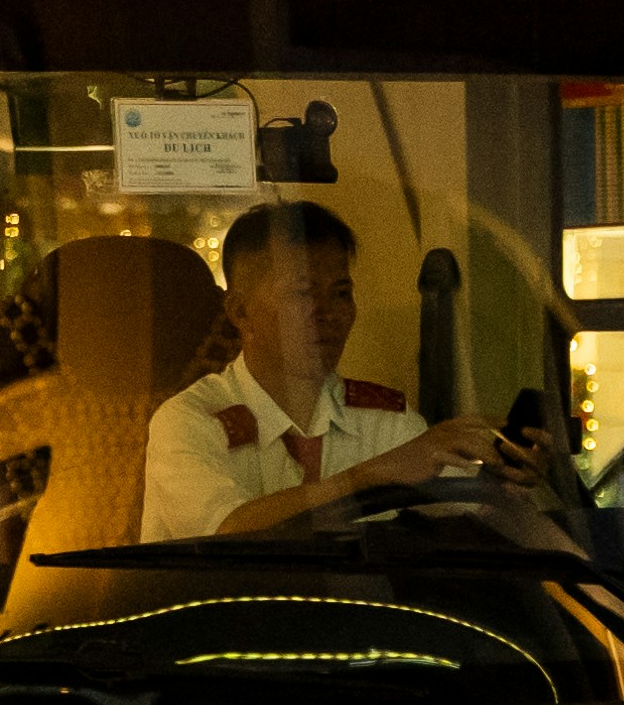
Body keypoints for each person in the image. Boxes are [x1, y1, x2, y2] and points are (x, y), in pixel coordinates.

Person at [138, 200, 532, 542]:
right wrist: (368, 477)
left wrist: (504, 486)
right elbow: (228, 532)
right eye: (303, 294)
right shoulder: (189, 422)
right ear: (240, 311)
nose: (328, 315)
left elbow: (466, 522)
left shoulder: (386, 421)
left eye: (341, 294)